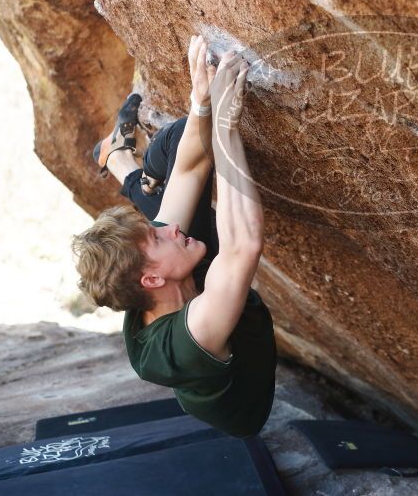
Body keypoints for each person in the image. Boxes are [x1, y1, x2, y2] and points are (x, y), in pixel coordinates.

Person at [72, 35, 276, 438]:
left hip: (189, 284)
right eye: (157, 238)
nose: (170, 229)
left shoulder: (156, 275)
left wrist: (202, 100)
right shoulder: (184, 343)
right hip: (247, 411)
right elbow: (243, 246)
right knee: (199, 160)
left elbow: (188, 170)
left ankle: (123, 162)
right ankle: (125, 165)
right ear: (151, 279)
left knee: (181, 142)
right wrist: (225, 128)